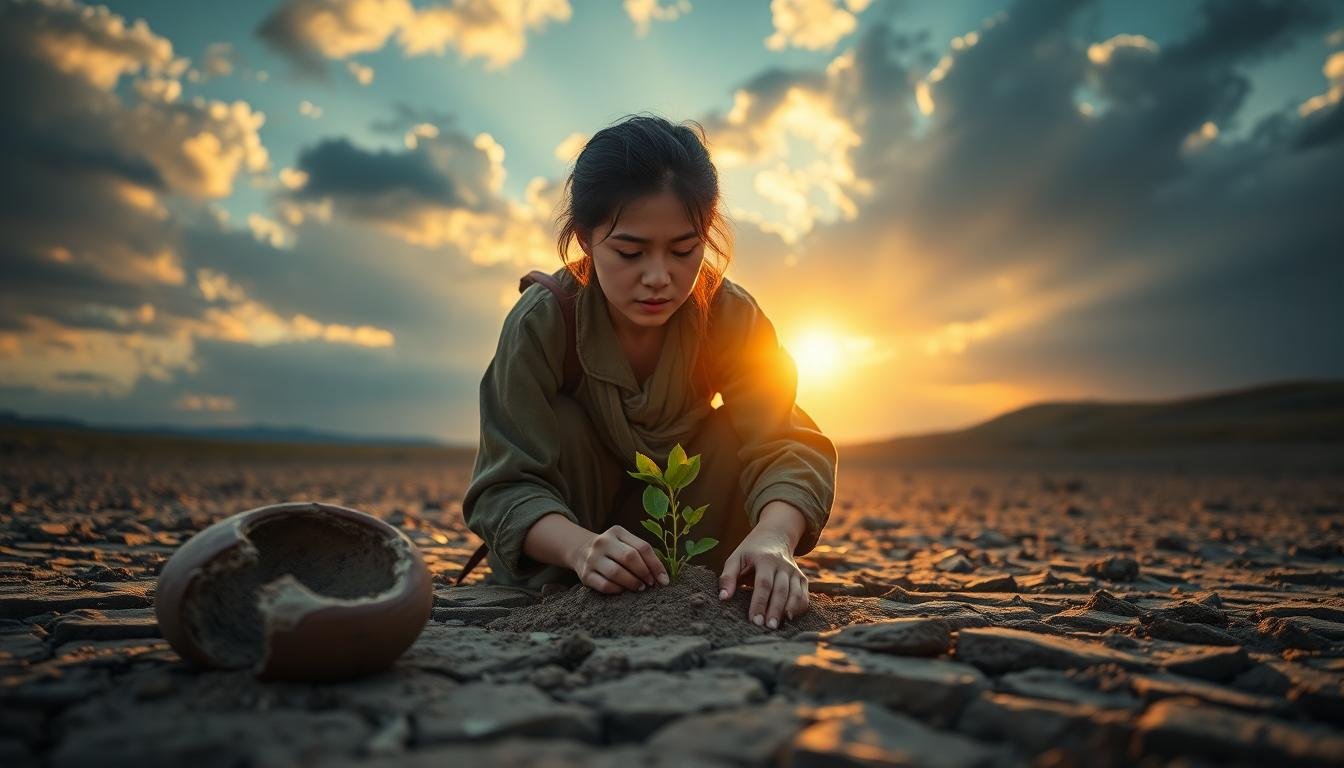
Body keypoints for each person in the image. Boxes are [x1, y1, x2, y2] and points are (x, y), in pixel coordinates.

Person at [462, 114, 838, 630]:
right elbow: (503, 486)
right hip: (565, 558)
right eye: (630, 252)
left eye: (684, 250)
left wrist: (774, 537)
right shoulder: (543, 321)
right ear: (585, 239)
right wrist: (581, 549)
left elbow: (785, 444)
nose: (660, 278)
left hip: (694, 553)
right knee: (567, 422)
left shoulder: (730, 315)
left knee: (734, 431)